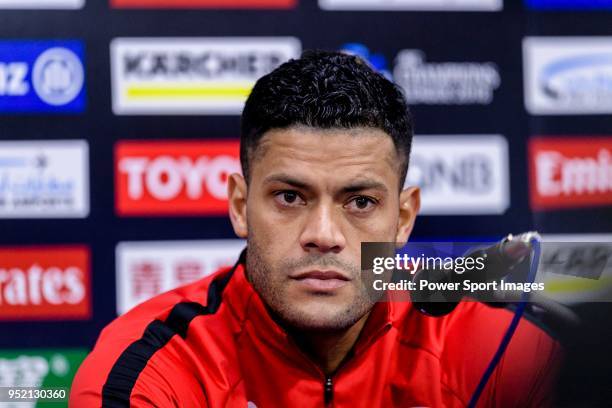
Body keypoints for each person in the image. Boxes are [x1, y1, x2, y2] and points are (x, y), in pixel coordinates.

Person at [70, 50, 562, 407]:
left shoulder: (501, 351)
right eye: (290, 197)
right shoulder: (152, 367)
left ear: (404, 218)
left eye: (360, 202)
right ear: (240, 206)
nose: (324, 233)